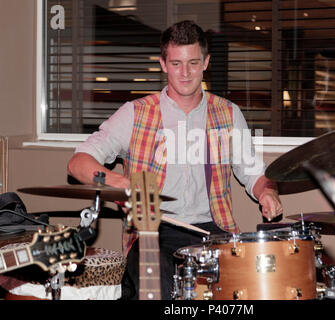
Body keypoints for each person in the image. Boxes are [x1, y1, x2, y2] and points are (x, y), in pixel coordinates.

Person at [67, 20, 283, 300]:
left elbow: (254, 173)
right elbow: (78, 163)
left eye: (193, 63)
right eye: (177, 63)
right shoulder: (135, 113)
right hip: (152, 231)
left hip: (212, 231)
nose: (185, 73)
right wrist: (119, 182)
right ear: (163, 63)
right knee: (161, 285)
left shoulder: (228, 114)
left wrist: (267, 191)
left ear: (206, 62)